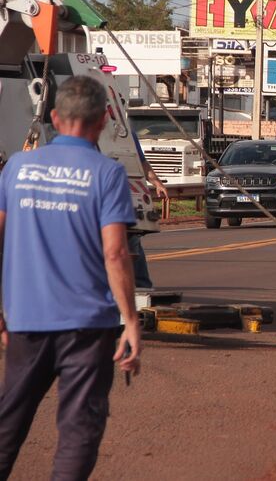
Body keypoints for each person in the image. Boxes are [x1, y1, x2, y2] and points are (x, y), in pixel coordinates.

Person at [0, 76, 141, 479]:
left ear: (56, 119)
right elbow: (115, 253)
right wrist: (131, 321)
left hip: (26, 322)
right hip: (86, 329)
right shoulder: (107, 174)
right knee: (78, 431)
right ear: (101, 121)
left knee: (9, 423)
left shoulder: (17, 167)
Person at [129, 130, 169, 289]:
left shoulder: (125, 133)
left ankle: (140, 287)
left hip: (123, 198)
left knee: (131, 240)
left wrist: (157, 183)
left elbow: (142, 162)